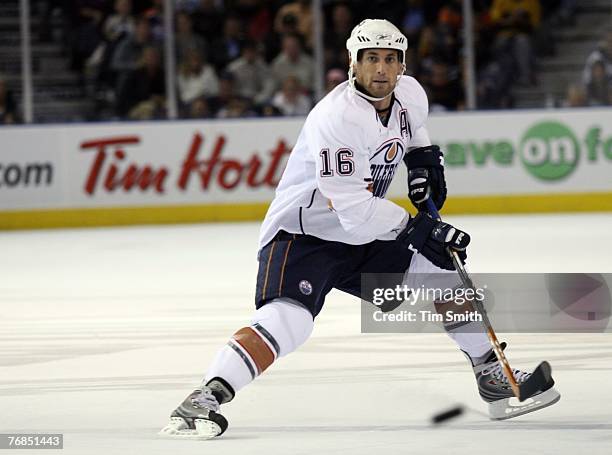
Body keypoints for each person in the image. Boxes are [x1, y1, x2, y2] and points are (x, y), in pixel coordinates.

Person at [160, 19, 560, 440]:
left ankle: (491, 375)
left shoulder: (409, 94)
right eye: (371, 59)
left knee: (442, 273)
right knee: (290, 320)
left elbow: (413, 130)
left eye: (390, 59)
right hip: (304, 236)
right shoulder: (336, 120)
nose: (381, 70)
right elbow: (352, 209)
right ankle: (205, 397)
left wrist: (423, 161)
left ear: (402, 65)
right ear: (353, 63)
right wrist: (419, 229)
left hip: (360, 234)